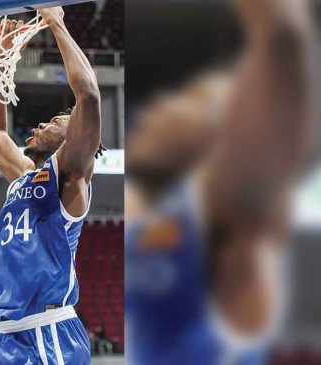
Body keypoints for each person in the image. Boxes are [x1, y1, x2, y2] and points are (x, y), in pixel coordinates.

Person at [124, 0, 313, 364]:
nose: (166, 102)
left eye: (193, 97)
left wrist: (273, 21)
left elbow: (283, 43)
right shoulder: (148, 210)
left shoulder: (229, 216)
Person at [0, 6, 104, 365]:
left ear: (76, 138)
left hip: (47, 333)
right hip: (3, 335)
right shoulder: (23, 176)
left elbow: (89, 97)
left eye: (54, 121)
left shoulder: (70, 178)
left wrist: (56, 22)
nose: (40, 125)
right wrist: (2, 56)